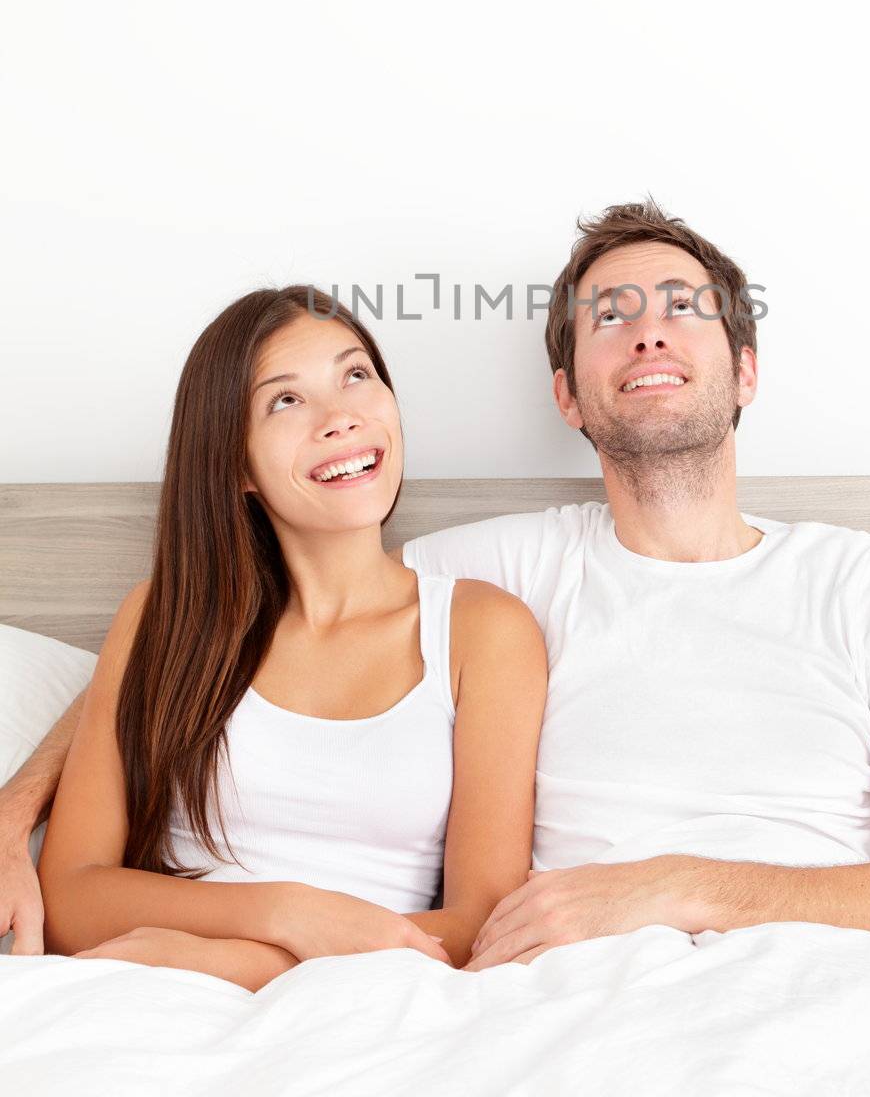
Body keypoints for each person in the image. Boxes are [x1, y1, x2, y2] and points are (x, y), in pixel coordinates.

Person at [1, 199, 870, 970]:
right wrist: (17, 807)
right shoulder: (499, 571)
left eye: (684, 307)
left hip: (825, 982)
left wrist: (673, 887)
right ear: (566, 394)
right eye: (609, 316)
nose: (650, 330)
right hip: (576, 1000)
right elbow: (236, 627)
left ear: (745, 369)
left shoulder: (862, 581)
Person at [3, 286, 547, 988]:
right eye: (285, 401)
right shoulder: (163, 621)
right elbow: (74, 894)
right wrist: (284, 912)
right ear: (235, 465)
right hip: (147, 989)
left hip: (367, 995)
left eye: (355, 375)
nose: (340, 416)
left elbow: (481, 925)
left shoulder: (483, 631)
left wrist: (247, 964)